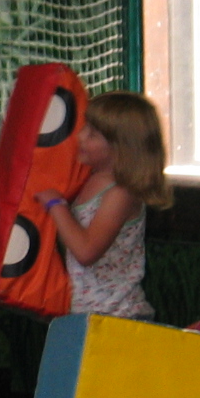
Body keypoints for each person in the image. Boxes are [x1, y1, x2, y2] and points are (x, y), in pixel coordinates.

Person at [33, 91, 171, 319]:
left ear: (122, 147)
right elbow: (68, 234)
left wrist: (56, 204)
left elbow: (86, 251)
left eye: (92, 134)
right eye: (84, 127)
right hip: (87, 313)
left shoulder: (120, 193)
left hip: (118, 317)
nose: (80, 136)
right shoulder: (89, 179)